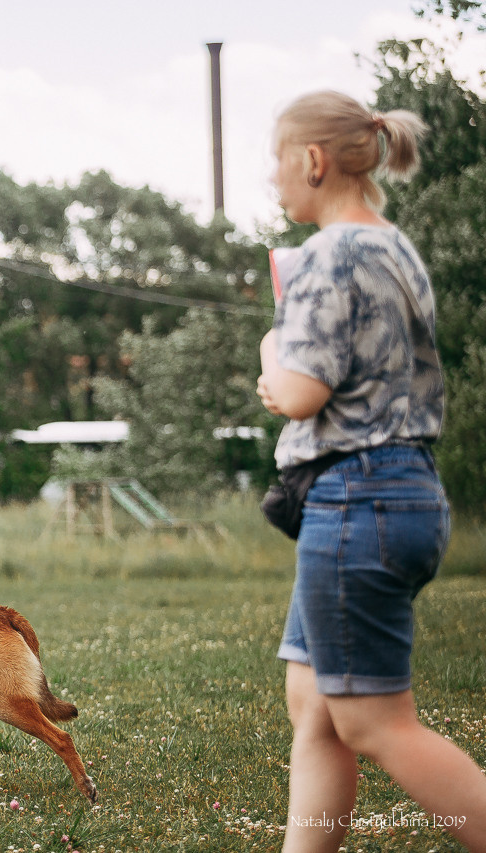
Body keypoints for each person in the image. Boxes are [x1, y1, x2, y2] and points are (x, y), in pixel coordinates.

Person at [257, 90, 486, 852]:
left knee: (374, 722)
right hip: (396, 491)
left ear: (313, 161)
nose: (273, 179)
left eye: (277, 161)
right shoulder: (392, 244)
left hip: (360, 498)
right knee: (315, 704)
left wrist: (269, 349)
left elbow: (298, 393)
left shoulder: (329, 252)